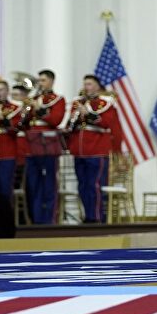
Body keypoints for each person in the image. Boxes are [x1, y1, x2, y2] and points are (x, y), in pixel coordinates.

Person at [67, 75, 120, 224]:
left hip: (96, 150)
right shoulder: (78, 102)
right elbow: (71, 125)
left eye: (89, 84)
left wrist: (88, 114)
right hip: (79, 150)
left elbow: (107, 122)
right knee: (82, 185)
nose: (86, 87)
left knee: (94, 185)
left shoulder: (105, 103)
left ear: (97, 86)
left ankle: (97, 217)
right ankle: (88, 215)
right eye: (85, 84)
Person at [20, 70, 66, 225]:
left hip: (48, 146)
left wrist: (39, 109)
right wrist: (24, 113)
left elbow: (56, 120)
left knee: (49, 184)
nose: (40, 83)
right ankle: (36, 219)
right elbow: (24, 124)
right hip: (31, 146)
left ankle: (49, 219)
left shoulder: (58, 99)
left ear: (51, 81)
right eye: (39, 80)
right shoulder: (33, 99)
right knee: (33, 184)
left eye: (43, 80)